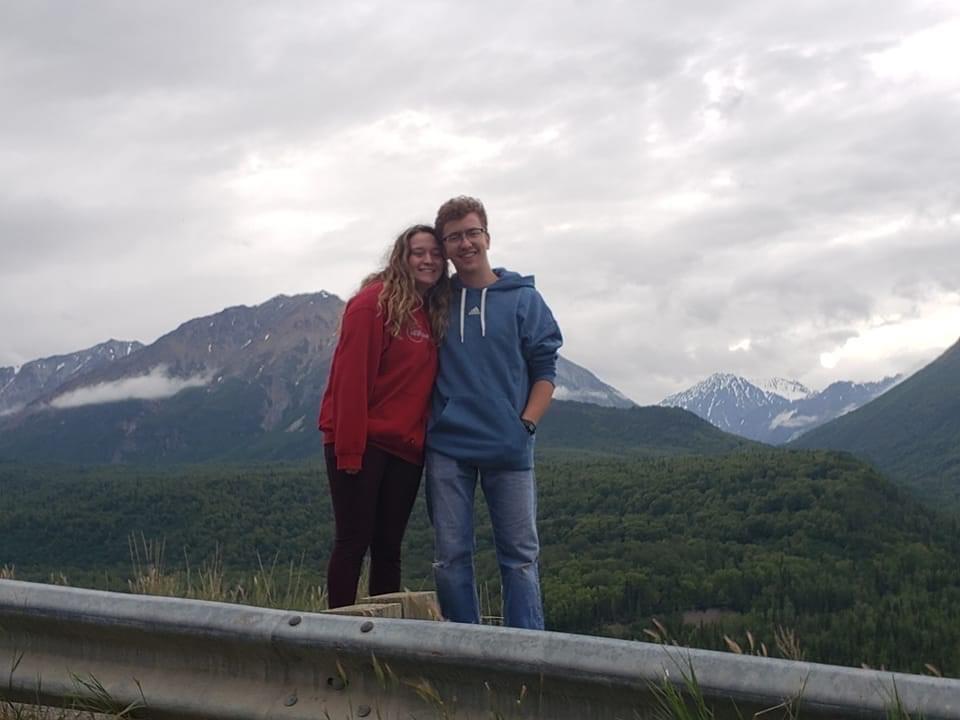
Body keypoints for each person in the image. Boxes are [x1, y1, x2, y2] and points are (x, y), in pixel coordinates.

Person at [425, 196, 562, 630]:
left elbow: (545, 370)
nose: (465, 243)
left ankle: (525, 652)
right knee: (450, 557)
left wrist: (526, 424)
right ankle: (463, 649)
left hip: (509, 445)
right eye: (454, 237)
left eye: (472, 233)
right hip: (448, 445)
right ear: (445, 247)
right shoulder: (435, 301)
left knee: (520, 558)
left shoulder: (524, 300)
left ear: (487, 236)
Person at [318, 224, 449, 608]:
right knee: (353, 541)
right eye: (418, 252)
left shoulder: (429, 311)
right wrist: (349, 451)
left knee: (389, 547)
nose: (428, 260)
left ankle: (384, 632)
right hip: (363, 443)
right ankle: (338, 629)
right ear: (401, 257)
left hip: (405, 449)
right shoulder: (372, 304)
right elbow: (350, 381)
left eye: (435, 254)